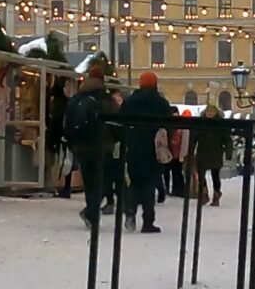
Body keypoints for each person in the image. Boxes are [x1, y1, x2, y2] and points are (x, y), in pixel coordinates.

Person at [119, 71, 175, 233]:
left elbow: (121, 121)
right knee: (149, 185)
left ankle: (130, 212)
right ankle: (147, 221)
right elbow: (169, 125)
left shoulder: (130, 102)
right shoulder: (161, 103)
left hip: (134, 147)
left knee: (134, 182)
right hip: (153, 148)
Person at [63, 67, 118, 230]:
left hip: (81, 147)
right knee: (103, 181)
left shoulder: (76, 98)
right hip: (102, 146)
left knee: (89, 182)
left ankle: (92, 214)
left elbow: (67, 122)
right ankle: (91, 212)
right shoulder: (105, 99)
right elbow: (116, 122)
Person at [195, 104, 234, 206]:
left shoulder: (220, 124)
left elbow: (227, 140)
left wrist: (228, 152)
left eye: (211, 112)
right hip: (202, 152)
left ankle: (216, 194)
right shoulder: (201, 123)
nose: (209, 114)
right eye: (208, 112)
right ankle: (204, 194)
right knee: (201, 174)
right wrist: (190, 149)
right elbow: (194, 137)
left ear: (216, 113)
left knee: (215, 175)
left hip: (215, 153)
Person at [45, 77, 73, 197]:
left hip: (56, 137)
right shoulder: (64, 103)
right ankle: (64, 186)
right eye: (67, 86)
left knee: (58, 162)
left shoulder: (55, 103)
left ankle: (59, 186)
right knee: (64, 161)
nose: (69, 89)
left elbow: (52, 121)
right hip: (61, 137)